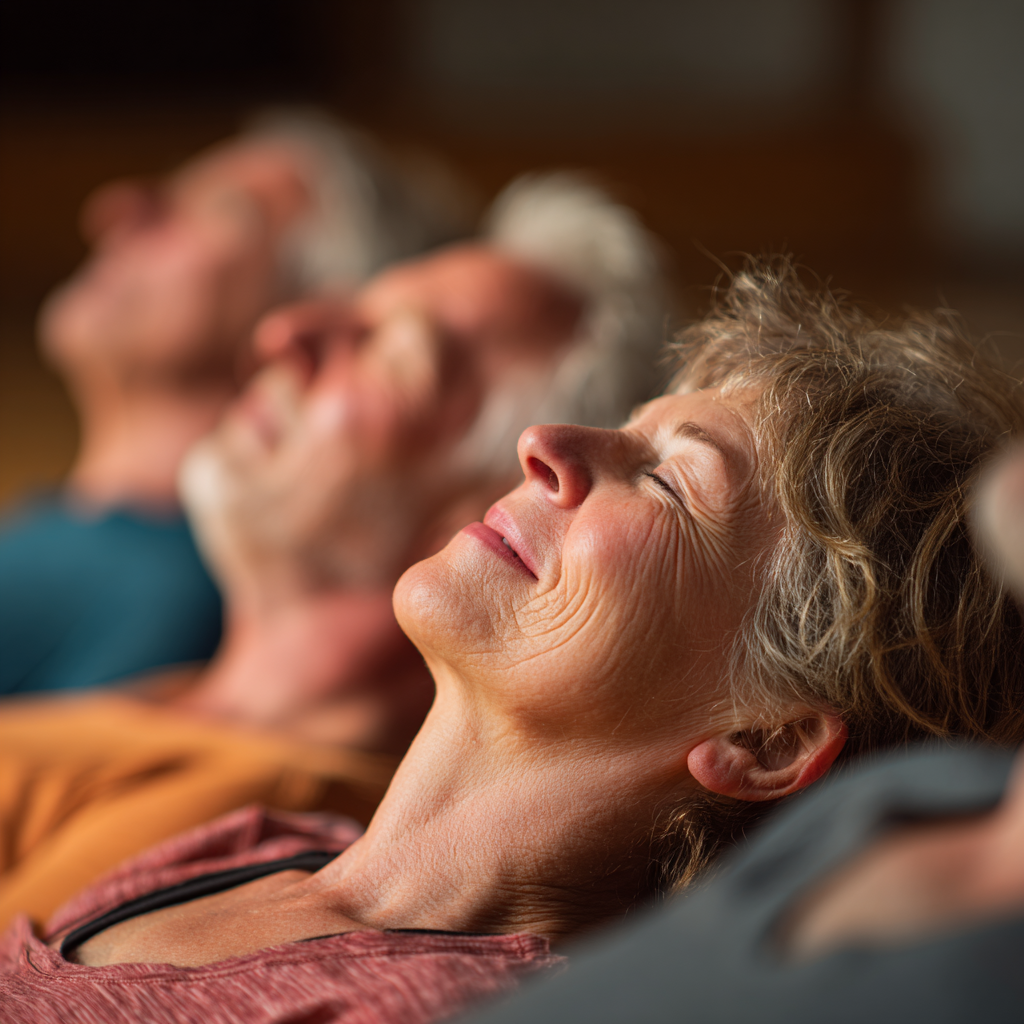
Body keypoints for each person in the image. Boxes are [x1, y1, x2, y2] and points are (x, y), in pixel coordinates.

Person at [3, 258, 1023, 1024]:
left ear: (766, 737)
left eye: (668, 479)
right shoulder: (251, 844)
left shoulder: (453, 1005)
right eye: (626, 425)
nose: (547, 442)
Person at [0, 174, 669, 930]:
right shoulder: (180, 705)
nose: (287, 332)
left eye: (390, 352)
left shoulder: (254, 820)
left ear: (483, 511)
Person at [0, 109, 470, 696]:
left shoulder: (183, 600)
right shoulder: (63, 538)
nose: (120, 207)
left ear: (311, 324)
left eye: (220, 208)